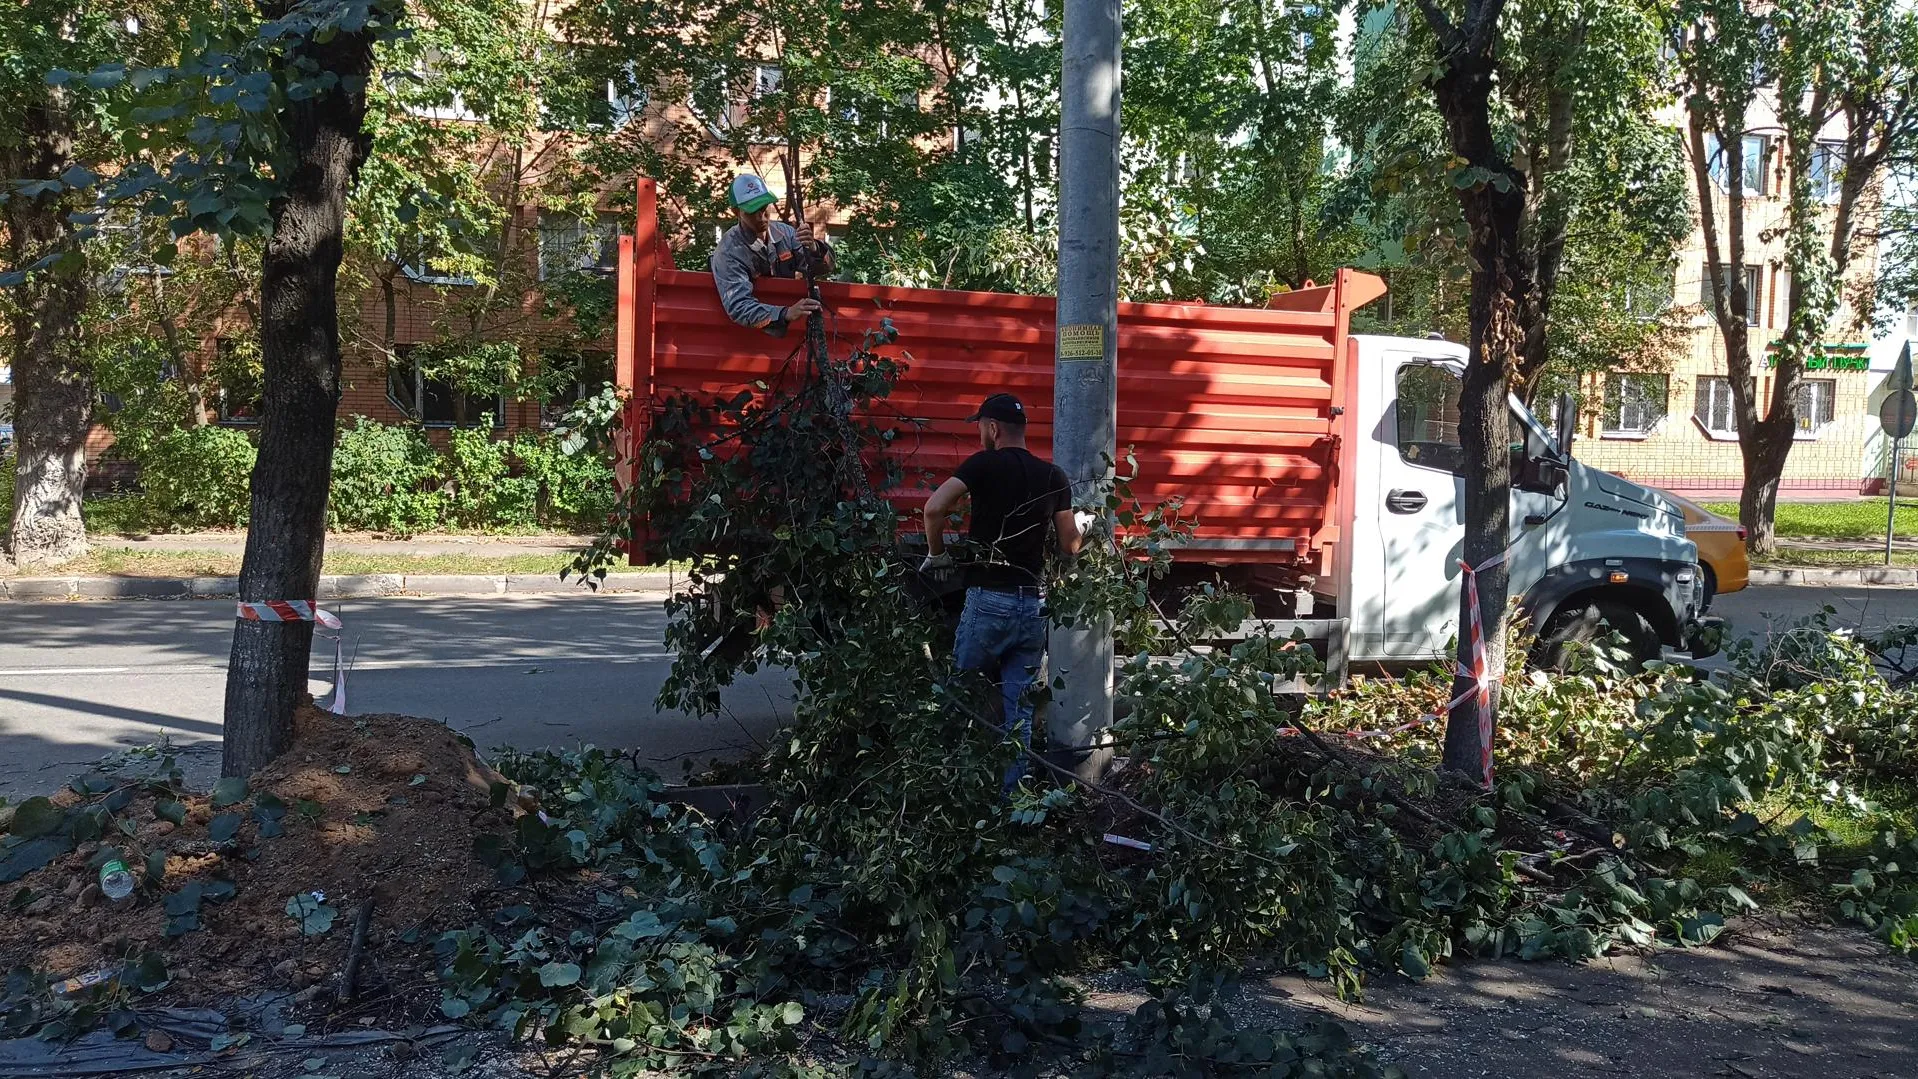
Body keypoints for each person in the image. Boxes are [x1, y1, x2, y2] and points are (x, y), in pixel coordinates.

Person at [920, 393, 1082, 788]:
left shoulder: (982, 465)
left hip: (988, 602)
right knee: (1019, 713)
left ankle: (950, 788)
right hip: (1032, 605)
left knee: (961, 697)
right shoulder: (1053, 477)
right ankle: (1013, 800)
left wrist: (937, 553)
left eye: (980, 427)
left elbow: (934, 509)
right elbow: (1069, 546)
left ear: (993, 429)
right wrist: (1085, 526)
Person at [710, 173, 835, 336]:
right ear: (736, 212)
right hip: (745, 340)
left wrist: (813, 248)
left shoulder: (786, 234)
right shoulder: (729, 252)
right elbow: (738, 306)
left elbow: (824, 268)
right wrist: (785, 314)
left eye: (763, 208)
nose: (761, 217)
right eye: (752, 211)